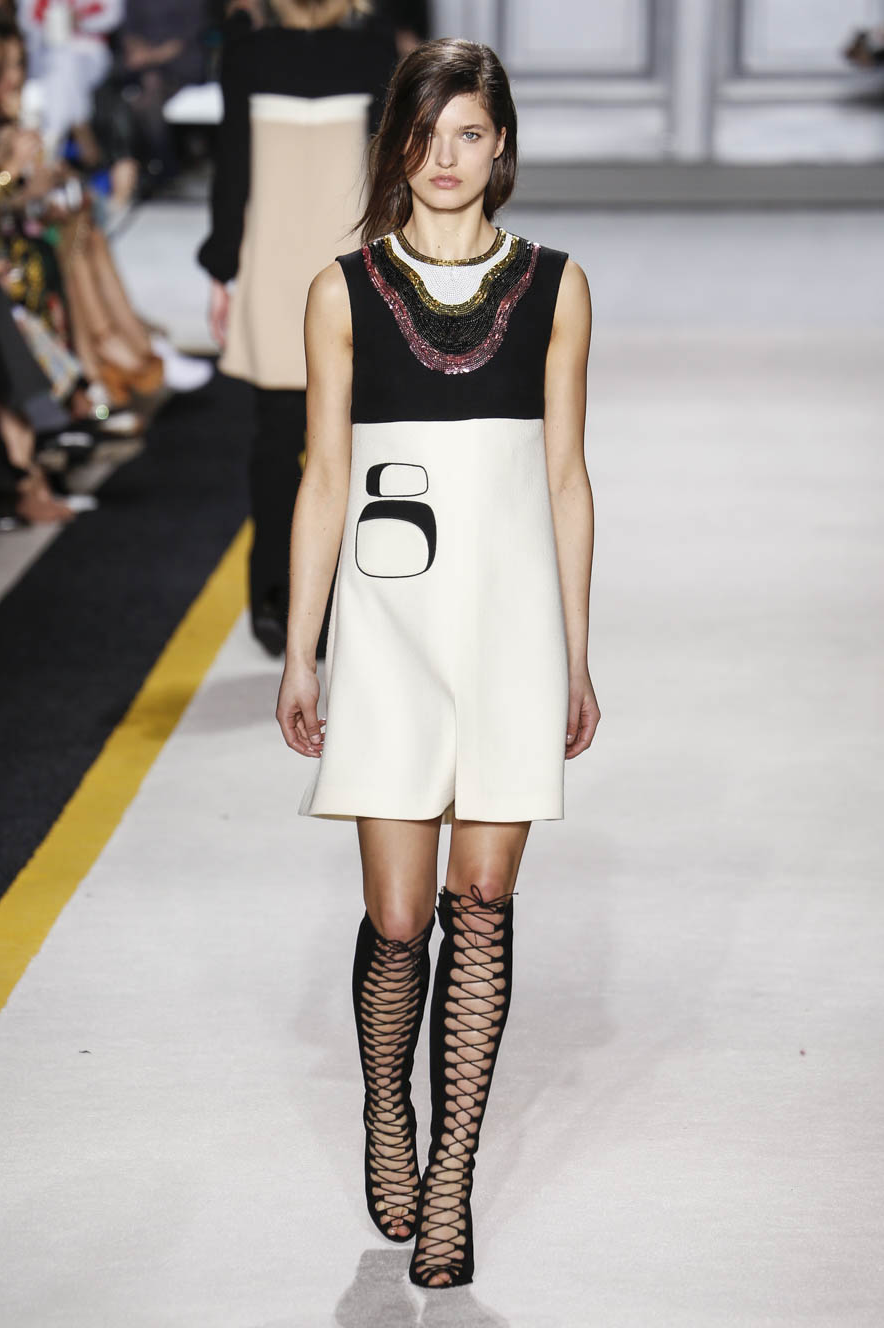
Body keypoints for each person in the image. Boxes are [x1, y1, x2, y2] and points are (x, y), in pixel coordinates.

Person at [275, 38, 599, 1288]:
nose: (447, 157)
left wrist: (577, 652)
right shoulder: (342, 290)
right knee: (401, 914)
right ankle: (386, 1107)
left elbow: (566, 479)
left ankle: (451, 1175)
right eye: (427, 134)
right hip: (392, 627)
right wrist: (303, 650)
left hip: (512, 627)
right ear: (396, 146)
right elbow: (322, 477)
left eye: (470, 133)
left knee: (484, 898)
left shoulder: (558, 285)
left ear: (501, 144)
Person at [197, 0, 397, 657]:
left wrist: (223, 268)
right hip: (350, 270)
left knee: (276, 439)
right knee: (347, 441)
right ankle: (342, 596)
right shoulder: (375, 55)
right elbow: (389, 175)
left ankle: (274, 600)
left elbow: (232, 172)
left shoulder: (248, 57)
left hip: (275, 267)